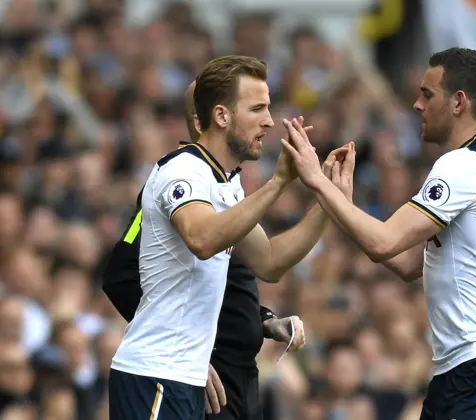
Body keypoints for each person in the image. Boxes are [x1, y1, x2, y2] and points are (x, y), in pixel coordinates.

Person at [281, 47, 476, 420]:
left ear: (458, 102)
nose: (417, 105)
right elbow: (405, 262)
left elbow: (383, 241)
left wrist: (317, 181)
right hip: (461, 366)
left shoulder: (463, 167)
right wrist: (343, 202)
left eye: (427, 94)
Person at [107, 56, 352, 420]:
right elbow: (202, 239)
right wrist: (278, 183)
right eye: (258, 109)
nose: (269, 121)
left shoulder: (224, 186)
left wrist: (328, 199)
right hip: (156, 373)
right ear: (221, 116)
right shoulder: (183, 170)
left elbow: (270, 261)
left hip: (187, 378)